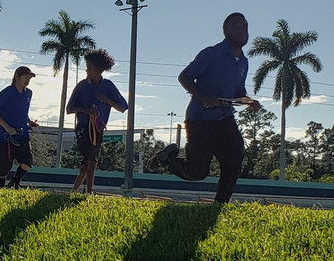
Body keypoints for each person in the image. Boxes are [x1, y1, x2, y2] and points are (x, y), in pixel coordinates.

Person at [149, 12, 262, 203]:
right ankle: (169, 159)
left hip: (225, 118)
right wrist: (204, 97)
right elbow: (184, 77)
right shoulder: (211, 54)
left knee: (234, 161)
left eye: (245, 26)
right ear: (225, 31)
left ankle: (220, 206)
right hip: (200, 120)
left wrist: (249, 101)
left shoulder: (244, 62)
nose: (242, 30)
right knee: (197, 172)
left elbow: (238, 91)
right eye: (236, 26)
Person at [66, 49, 128, 194]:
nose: (87, 70)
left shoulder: (108, 86)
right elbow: (69, 109)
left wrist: (106, 100)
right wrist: (86, 111)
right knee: (91, 161)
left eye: (89, 67)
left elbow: (123, 107)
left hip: (98, 129)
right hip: (83, 128)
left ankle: (74, 192)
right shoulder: (82, 86)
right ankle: (88, 192)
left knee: (87, 165)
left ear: (98, 69)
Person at [0, 66, 38, 189]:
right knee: (2, 169)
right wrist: (7, 127)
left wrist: (29, 122)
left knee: (27, 162)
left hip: (22, 135)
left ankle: (15, 182)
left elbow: (23, 110)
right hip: (5, 137)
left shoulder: (29, 93)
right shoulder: (8, 92)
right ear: (17, 77)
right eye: (25, 77)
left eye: (29, 78)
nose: (27, 80)